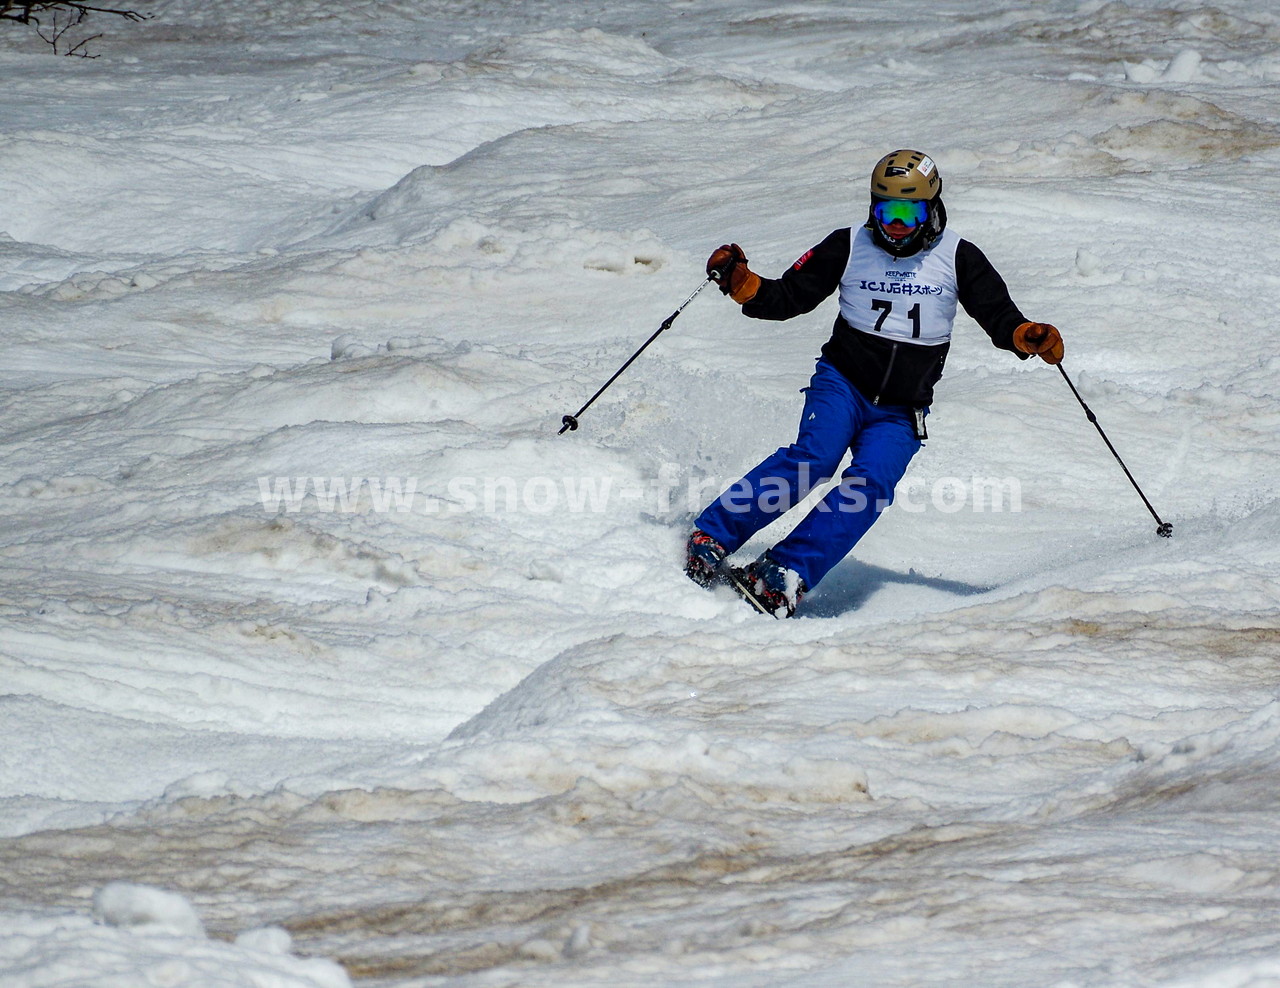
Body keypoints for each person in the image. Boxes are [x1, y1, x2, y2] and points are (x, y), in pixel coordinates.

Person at [685, 149, 1063, 617]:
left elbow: (999, 315)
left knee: (871, 485)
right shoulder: (848, 245)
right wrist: (745, 285)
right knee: (814, 459)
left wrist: (1025, 337)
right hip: (843, 383)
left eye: (911, 211)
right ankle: (713, 534)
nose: (897, 224)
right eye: (887, 210)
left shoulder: (958, 257)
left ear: (932, 208)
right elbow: (788, 296)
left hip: (902, 410)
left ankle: (783, 574)